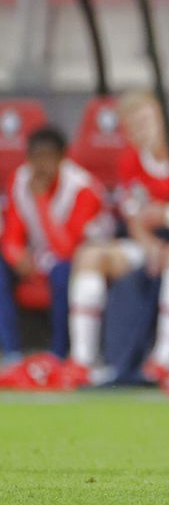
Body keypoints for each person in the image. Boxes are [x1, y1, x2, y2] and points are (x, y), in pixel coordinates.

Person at [67, 90, 169, 384]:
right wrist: (150, 246)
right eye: (132, 125)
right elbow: (135, 219)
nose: (140, 130)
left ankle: (163, 361)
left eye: (145, 120)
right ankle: (83, 360)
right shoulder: (130, 160)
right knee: (89, 256)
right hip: (150, 245)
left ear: (162, 118)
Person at [0, 126, 109, 362]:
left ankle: (59, 354)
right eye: (35, 158)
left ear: (62, 157)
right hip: (39, 255)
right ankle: (11, 353)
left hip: (78, 258)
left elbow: (66, 247)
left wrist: (40, 200)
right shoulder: (19, 180)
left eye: (47, 157)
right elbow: (12, 234)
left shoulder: (82, 188)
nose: (40, 165)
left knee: (62, 272)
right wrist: (16, 255)